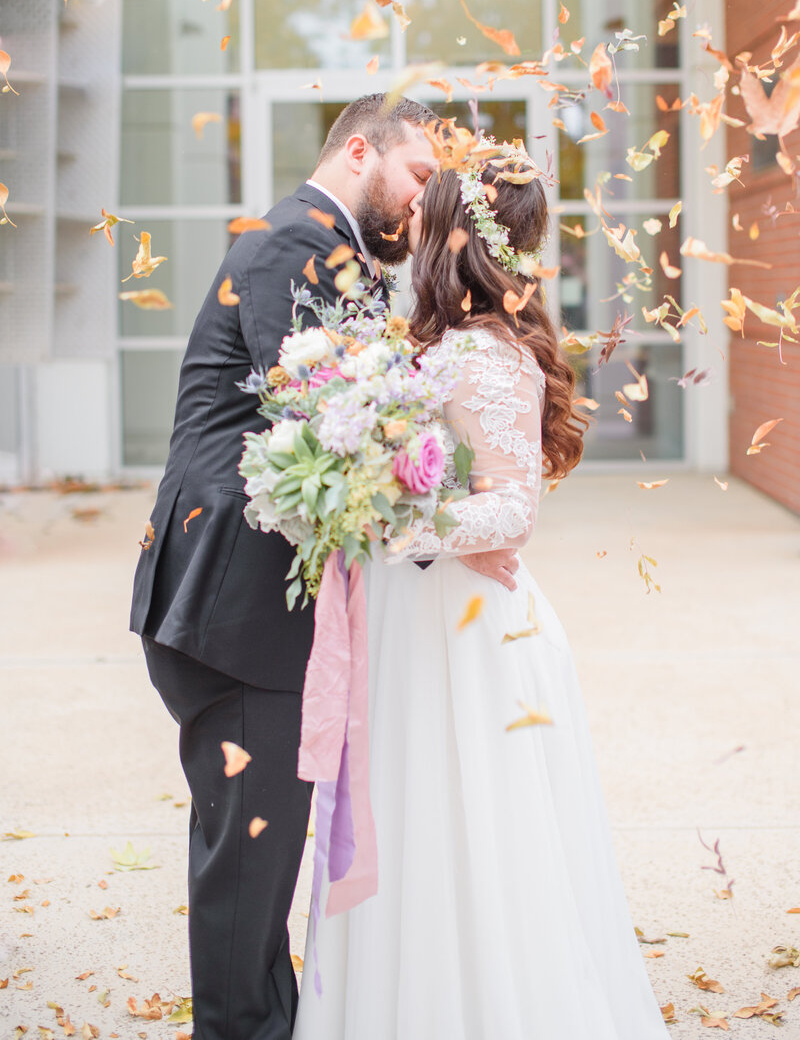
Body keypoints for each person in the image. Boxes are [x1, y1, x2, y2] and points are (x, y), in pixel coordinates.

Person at [129, 95, 519, 1040]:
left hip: (248, 609)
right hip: (233, 610)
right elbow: (335, 418)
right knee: (246, 868)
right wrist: (448, 515)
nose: (426, 201)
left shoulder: (321, 249)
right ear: (359, 150)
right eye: (421, 175)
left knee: (255, 862)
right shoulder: (290, 248)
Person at [293, 148, 670, 1039]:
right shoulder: (446, 343)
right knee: (420, 833)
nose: (412, 210)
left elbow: (510, 509)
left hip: (461, 637)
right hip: (422, 622)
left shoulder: (484, 358)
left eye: (431, 202)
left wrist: (394, 526)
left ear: (456, 233)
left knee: (470, 841)